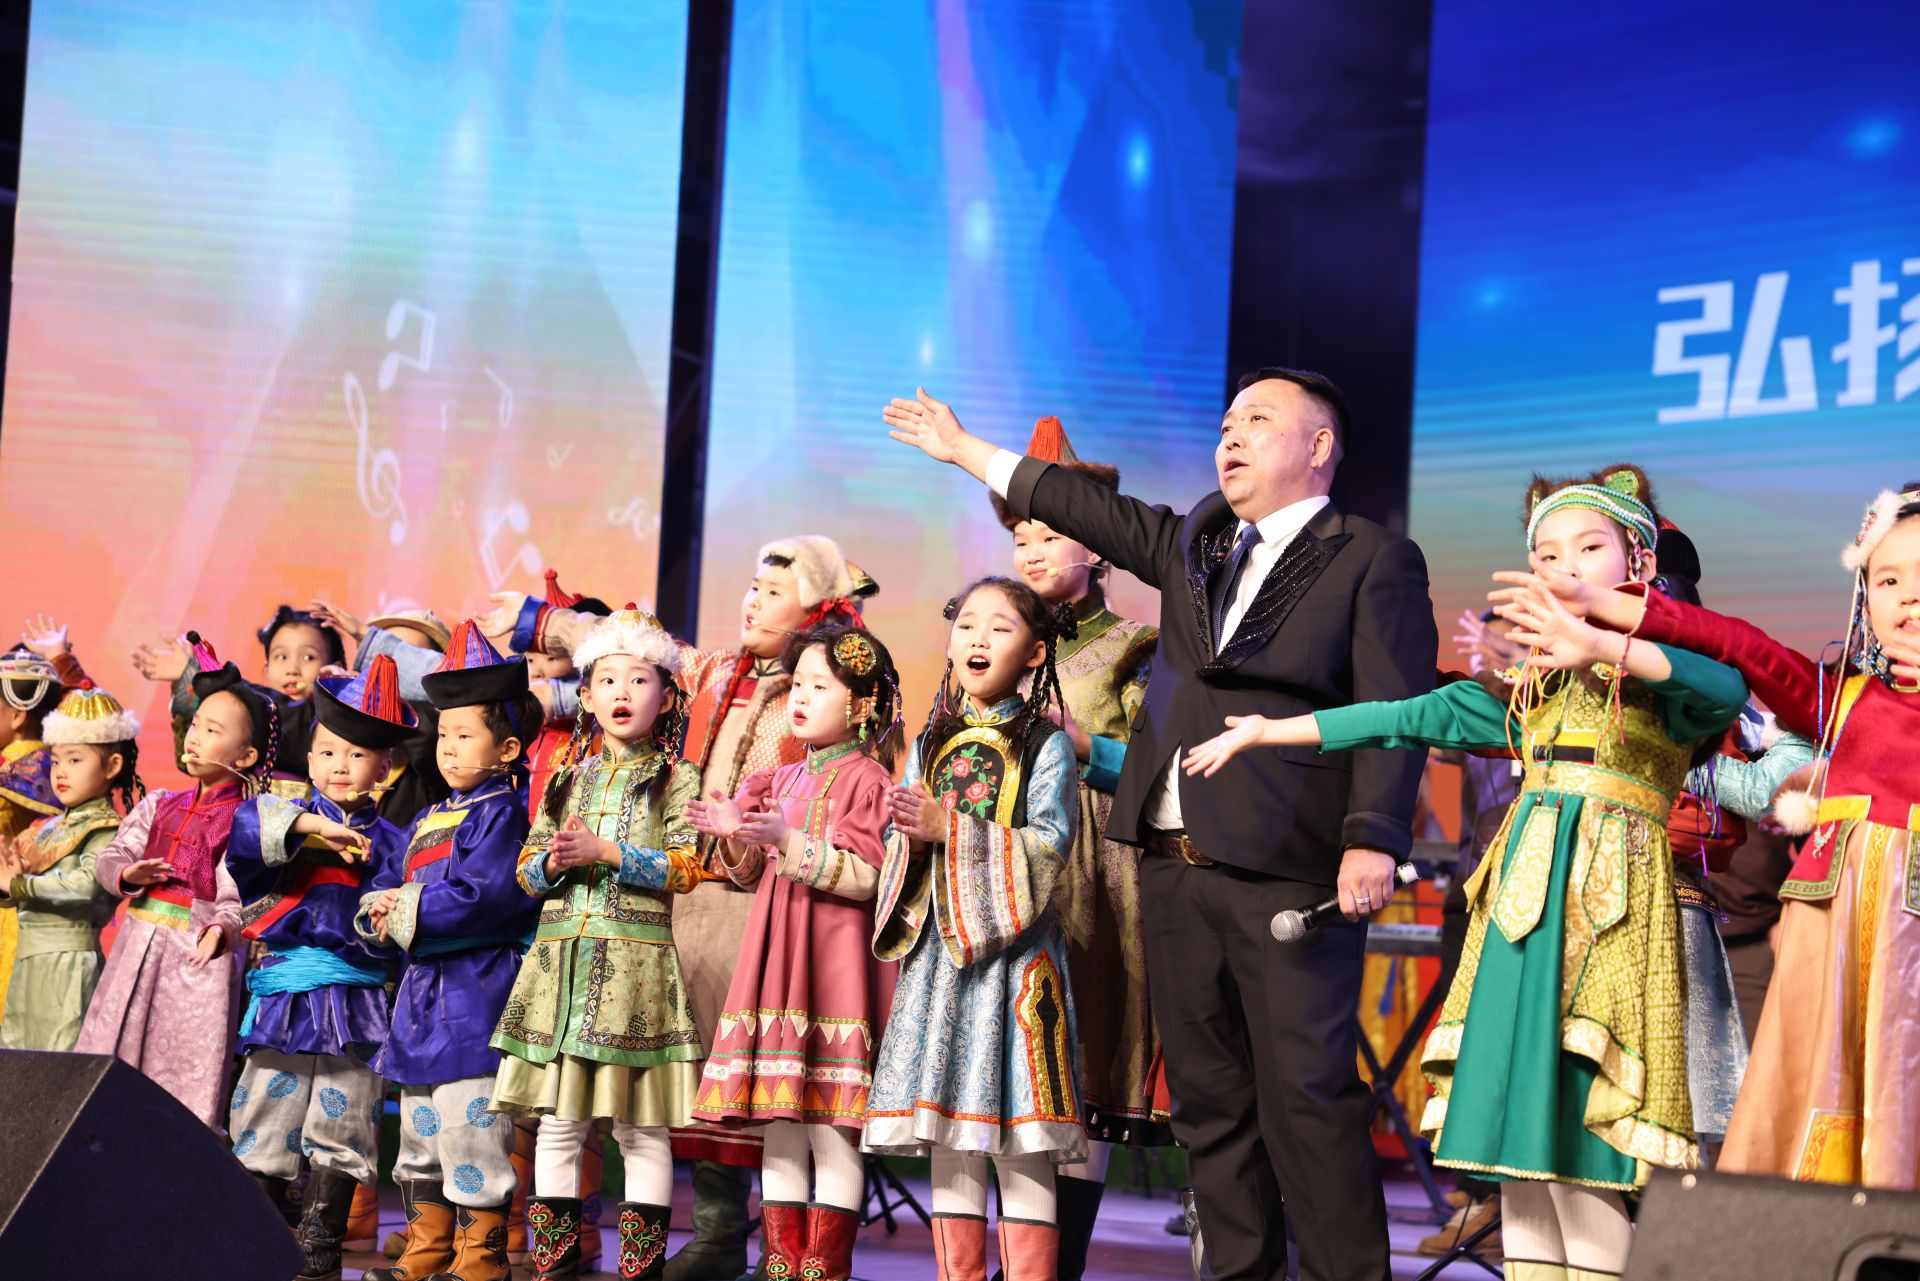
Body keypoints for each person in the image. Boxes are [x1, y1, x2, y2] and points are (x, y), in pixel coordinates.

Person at [885, 372, 1436, 1281]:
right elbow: (1088, 510)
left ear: (1319, 446)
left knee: (1306, 1102)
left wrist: (1372, 834)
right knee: (1211, 1108)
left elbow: (1394, 705)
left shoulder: (1371, 557)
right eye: (1226, 423)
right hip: (1173, 868)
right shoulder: (1201, 541)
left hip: (1288, 865)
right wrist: (965, 450)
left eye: (1257, 421)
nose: (1232, 436)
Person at [1189, 466, 1750, 1281]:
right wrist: (1272, 730)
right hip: (1519, 917)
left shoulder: (1662, 675)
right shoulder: (1530, 689)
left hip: (1609, 920)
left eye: (1588, 548)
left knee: (1583, 1153)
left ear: (1638, 559)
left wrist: (1604, 643)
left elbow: (1725, 686)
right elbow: (1407, 713)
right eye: (1546, 554)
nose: (1564, 566)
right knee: (1519, 1158)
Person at [1503, 480, 1920, 1190]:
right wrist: (1602, 611)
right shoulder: (1839, 698)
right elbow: (1739, 644)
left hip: (1905, 942)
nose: (1907, 598)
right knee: (1816, 1087)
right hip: (1831, 939)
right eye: (1887, 580)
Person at [485, 537, 877, 1281]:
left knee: (736, 1082)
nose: (753, 601)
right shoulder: (718, 672)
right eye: (753, 586)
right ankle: (712, 1234)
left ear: (817, 610)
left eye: (774, 591)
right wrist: (543, 619)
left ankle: (761, 1245)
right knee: (668, 1094)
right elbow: (635, 651)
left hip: (762, 902)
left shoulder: (823, 693)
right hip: (675, 918)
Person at [864, 577, 1083, 1281]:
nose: (978, 638)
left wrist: (949, 830)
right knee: (948, 1135)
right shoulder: (928, 741)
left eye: (999, 627)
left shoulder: (1046, 744)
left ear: (1035, 652)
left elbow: (1049, 845)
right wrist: (911, 838)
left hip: (1015, 964)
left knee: (1021, 1139)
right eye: (966, 625)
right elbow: (899, 846)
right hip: (940, 960)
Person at [989, 415, 1163, 1280]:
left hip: (1094, 867)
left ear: (1098, 546)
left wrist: (1080, 745)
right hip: (1004, 860)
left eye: (1051, 533)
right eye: (1022, 535)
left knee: (1078, 1069)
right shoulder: (995, 635)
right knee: (1005, 1064)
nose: (1032, 550)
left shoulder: (1135, 645)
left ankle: (1057, 1266)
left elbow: (1161, 771)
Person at [489, 609, 707, 1281]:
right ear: (585, 696)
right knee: (559, 1122)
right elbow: (526, 872)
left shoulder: (678, 777)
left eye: (638, 679)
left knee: (641, 1127)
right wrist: (553, 863)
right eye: (607, 680)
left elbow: (687, 867)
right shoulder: (565, 778)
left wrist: (608, 852)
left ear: (664, 696)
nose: (621, 692)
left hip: (635, 972)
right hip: (561, 969)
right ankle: (554, 1264)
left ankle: (641, 1268)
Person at [687, 622, 904, 1281]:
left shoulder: (869, 781)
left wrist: (789, 840)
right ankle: (781, 1262)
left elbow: (868, 877)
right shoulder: (777, 779)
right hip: (779, 967)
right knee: (779, 1121)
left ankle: (824, 1267)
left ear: (861, 705)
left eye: (819, 687)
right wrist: (736, 834)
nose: (801, 699)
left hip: (834, 969)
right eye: (797, 686)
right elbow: (750, 872)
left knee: (832, 1124)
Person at [356, 622, 541, 1281]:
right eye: (444, 734)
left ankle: (480, 1255)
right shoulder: (430, 816)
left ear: (507, 748)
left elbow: (486, 897)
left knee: (471, 1125)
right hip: (421, 995)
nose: (449, 746)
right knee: (421, 1127)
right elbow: (389, 880)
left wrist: (405, 907)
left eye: (465, 734)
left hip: (475, 989)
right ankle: (427, 1245)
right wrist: (379, 908)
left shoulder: (502, 814)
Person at [226, 656, 415, 1281]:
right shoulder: (279, 818)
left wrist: (382, 911)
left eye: (357, 755)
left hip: (356, 996)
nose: (340, 765)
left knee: (345, 1114)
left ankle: (320, 1243)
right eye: (328, 752)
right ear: (309, 759)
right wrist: (312, 829)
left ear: (384, 769)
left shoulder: (394, 841)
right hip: (287, 994)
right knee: (265, 1110)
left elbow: (397, 912)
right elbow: (247, 833)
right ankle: (254, 1238)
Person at [75, 647, 267, 1125]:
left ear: (246, 756)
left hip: (194, 956)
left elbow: (238, 897)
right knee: (112, 1049)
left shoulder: (245, 820)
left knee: (182, 1071)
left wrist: (222, 929)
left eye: (213, 731)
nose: (196, 736)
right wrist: (126, 875)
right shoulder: (160, 803)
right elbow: (112, 856)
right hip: (137, 942)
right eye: (196, 724)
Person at [0, 681, 137, 1049]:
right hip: (28, 961)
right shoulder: (45, 829)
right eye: (56, 760)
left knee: (61, 1061)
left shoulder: (107, 828)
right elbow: (16, 887)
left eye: (75, 760)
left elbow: (85, 885)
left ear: (112, 765)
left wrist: (19, 885)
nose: (60, 772)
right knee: (16, 1058)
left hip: (70, 962)